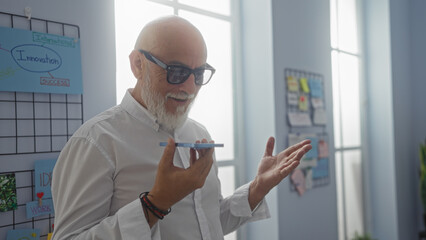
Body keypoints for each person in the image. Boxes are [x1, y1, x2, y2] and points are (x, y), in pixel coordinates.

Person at [51, 15, 312, 240]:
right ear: (137, 65)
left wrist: (257, 189)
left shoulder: (199, 134)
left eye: (199, 74)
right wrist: (155, 205)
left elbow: (207, 223)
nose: (189, 88)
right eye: (176, 71)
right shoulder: (96, 142)